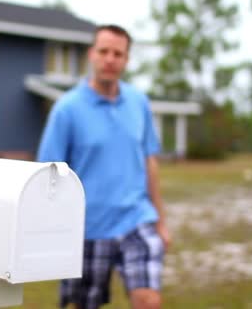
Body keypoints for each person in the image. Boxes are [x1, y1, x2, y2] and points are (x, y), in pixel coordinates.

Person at [37, 24, 170, 309]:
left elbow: (149, 161)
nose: (110, 59)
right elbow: (49, 175)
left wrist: (160, 221)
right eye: (104, 51)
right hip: (87, 229)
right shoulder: (67, 109)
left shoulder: (139, 103)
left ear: (126, 60)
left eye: (118, 54)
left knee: (149, 300)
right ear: (91, 55)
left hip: (136, 220)